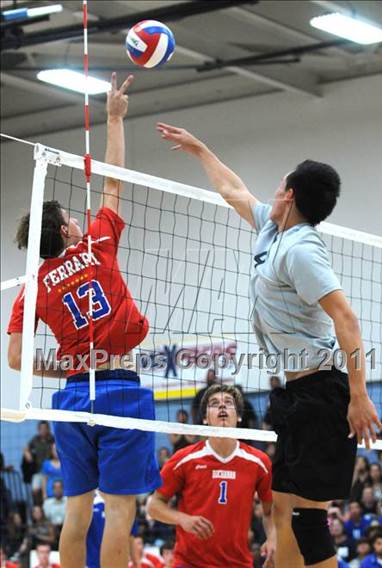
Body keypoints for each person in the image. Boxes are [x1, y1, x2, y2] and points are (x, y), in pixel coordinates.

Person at [157, 122, 382, 568]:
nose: (273, 188)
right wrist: (200, 148)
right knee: (282, 510)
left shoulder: (301, 249)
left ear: (290, 195)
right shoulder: (272, 230)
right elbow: (233, 190)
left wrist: (358, 395)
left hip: (322, 391)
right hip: (293, 394)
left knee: (308, 520)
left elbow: (347, 319)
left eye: (280, 182)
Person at [7, 73, 161, 568]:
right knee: (120, 511)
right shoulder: (96, 242)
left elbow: (15, 359)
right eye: (71, 217)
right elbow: (115, 180)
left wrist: (66, 367)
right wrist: (115, 118)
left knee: (76, 511)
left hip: (72, 395)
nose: (78, 218)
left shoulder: (31, 287)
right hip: (119, 387)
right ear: (64, 229)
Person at [147, 384, 275, 568]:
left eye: (228, 403)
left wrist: (272, 538)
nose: (222, 406)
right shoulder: (185, 459)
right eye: (214, 403)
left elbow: (270, 511)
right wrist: (183, 519)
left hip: (238, 563)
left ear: (239, 416)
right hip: (189, 563)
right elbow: (153, 506)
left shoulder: (259, 462)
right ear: (205, 419)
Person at [22, 421, 54, 502]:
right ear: (38, 429)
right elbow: (26, 448)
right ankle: (38, 507)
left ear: (48, 429)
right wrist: (27, 454)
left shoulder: (52, 439)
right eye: (41, 429)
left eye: (45, 428)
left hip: (50, 470)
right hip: (39, 470)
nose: (43, 430)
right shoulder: (35, 439)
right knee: (35, 489)